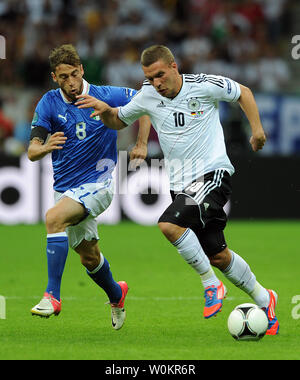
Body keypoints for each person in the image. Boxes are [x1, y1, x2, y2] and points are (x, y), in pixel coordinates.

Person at [75, 45, 279, 335]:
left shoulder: (204, 85)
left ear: (173, 66)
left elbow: (243, 92)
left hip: (212, 174)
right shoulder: (148, 94)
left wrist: (256, 130)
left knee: (169, 224)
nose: (156, 83)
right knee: (218, 255)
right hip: (180, 186)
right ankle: (265, 299)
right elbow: (118, 120)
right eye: (149, 77)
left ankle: (211, 285)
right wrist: (106, 111)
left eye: (160, 75)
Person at [28, 44, 150, 330]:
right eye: (63, 77)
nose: (70, 83)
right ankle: (117, 294)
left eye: (73, 74)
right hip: (66, 190)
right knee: (89, 256)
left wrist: (141, 143)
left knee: (53, 218)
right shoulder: (48, 103)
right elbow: (32, 152)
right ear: (54, 77)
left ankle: (52, 296)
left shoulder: (106, 95)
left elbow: (145, 105)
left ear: (82, 70)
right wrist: (45, 147)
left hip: (100, 182)